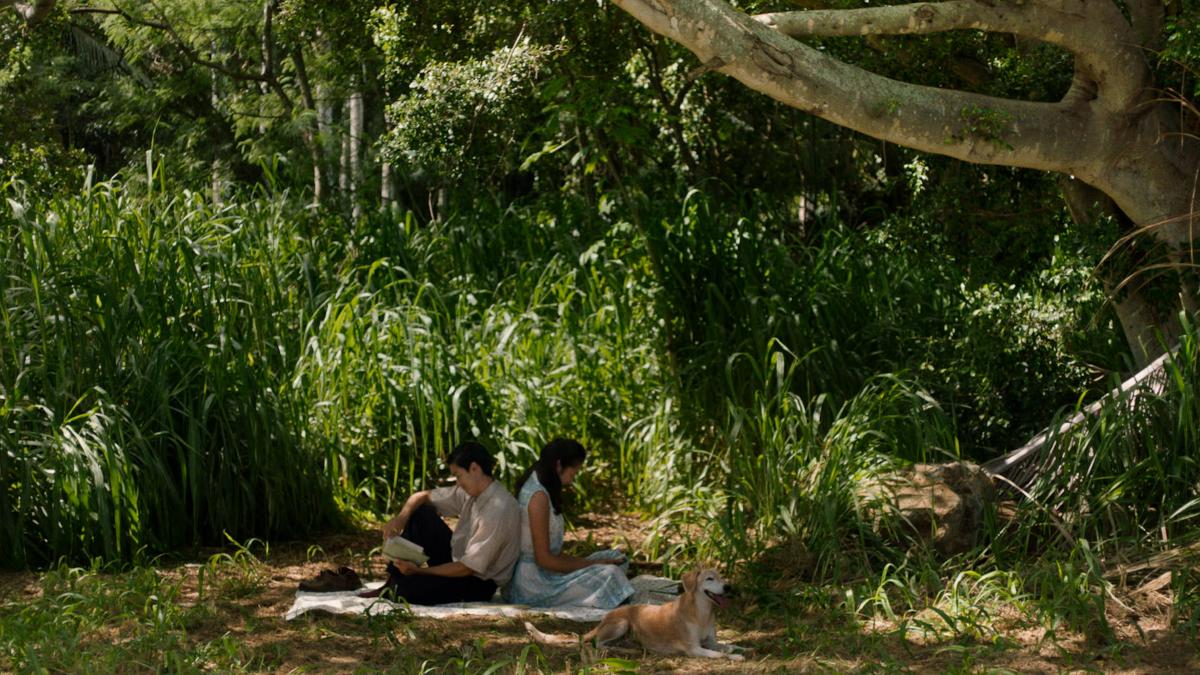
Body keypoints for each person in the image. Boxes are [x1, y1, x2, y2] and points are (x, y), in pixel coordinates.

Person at [363, 440, 521, 605]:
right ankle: (393, 580)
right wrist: (401, 518)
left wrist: (420, 572)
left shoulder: (498, 508)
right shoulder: (471, 493)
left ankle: (398, 584)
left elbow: (468, 567)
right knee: (420, 512)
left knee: (404, 591)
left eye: (459, 475)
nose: (458, 483)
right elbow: (421, 497)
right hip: (457, 562)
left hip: (478, 582)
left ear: (474, 468)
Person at [505, 438, 634, 608]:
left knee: (615, 558)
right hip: (534, 582)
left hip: (548, 571)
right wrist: (592, 565)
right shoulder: (538, 497)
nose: (572, 479)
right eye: (573, 473)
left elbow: (554, 554)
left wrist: (590, 564)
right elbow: (544, 559)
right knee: (609, 572)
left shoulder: (543, 487)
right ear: (559, 465)